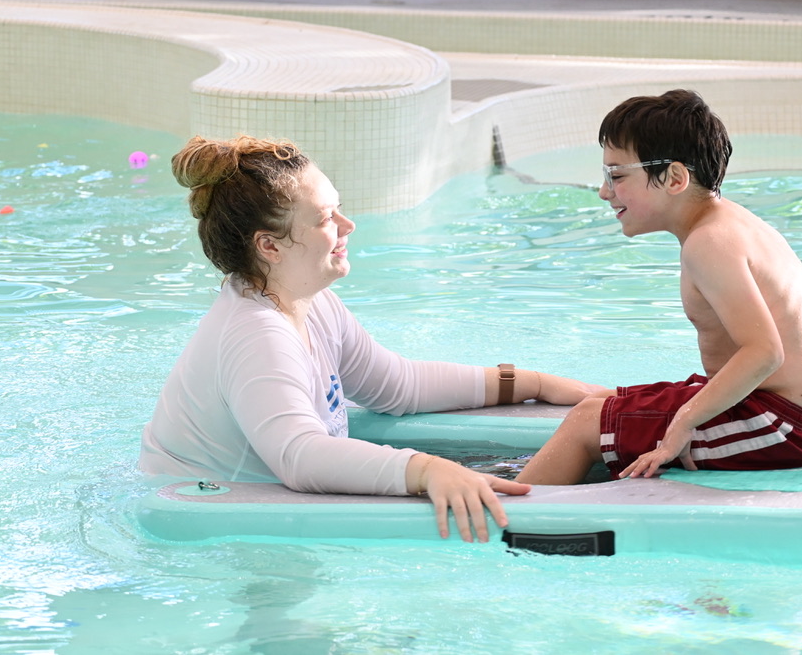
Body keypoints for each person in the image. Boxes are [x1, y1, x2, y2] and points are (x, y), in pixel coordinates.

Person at [138, 135, 598, 543]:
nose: (347, 225)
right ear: (269, 246)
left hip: (257, 509)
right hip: (214, 532)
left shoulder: (308, 302)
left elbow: (396, 385)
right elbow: (301, 456)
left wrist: (532, 383)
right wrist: (427, 469)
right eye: (324, 218)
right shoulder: (256, 334)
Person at [516, 89, 802, 485]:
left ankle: (505, 520)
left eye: (616, 176)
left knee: (584, 423)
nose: (603, 191)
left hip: (778, 427)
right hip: (767, 408)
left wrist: (684, 423)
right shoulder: (724, 224)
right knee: (600, 403)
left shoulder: (710, 242)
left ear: (675, 178)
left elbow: (765, 353)